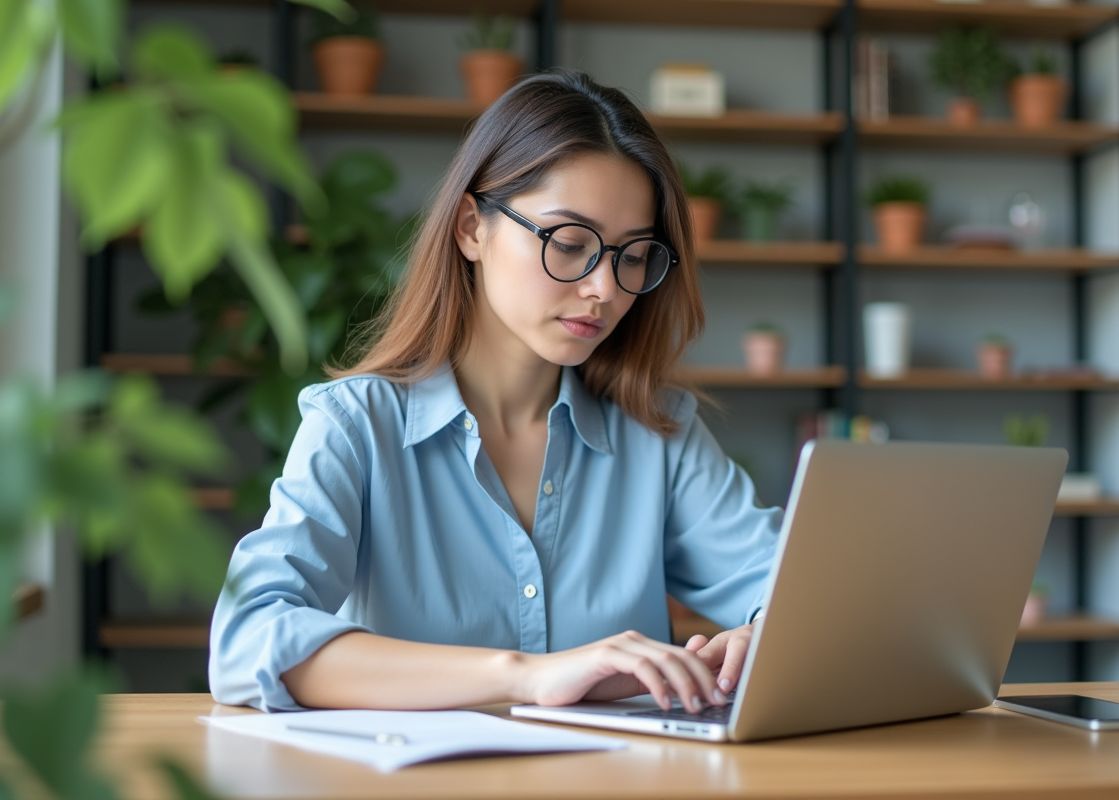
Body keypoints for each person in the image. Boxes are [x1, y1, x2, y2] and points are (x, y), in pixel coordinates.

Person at [208, 70, 782, 714]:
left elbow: (801, 592)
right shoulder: (356, 425)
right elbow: (246, 639)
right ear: (470, 228)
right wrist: (525, 676)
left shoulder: (658, 431)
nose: (605, 289)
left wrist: (763, 637)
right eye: (569, 244)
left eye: (633, 255)